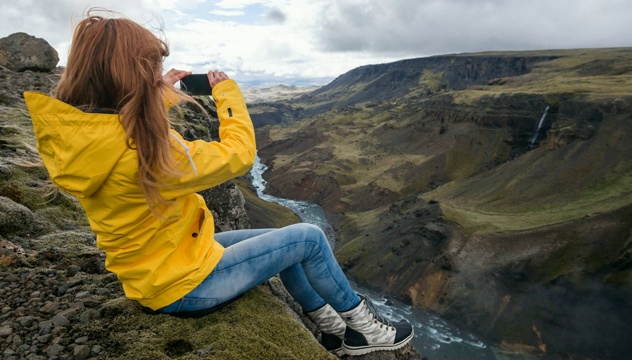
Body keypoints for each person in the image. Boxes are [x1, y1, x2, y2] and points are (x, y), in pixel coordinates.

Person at [24, 11, 413, 356]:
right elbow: (239, 153)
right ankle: (366, 329)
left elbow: (119, 129)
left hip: (159, 270)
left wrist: (155, 99)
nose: (157, 72)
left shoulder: (84, 135)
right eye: (150, 67)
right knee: (307, 237)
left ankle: (331, 332)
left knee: (288, 243)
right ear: (131, 72)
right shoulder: (144, 153)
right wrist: (226, 94)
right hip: (185, 287)